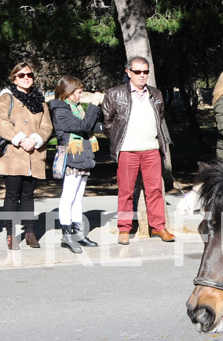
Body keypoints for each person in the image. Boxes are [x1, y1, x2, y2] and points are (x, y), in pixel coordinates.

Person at [102, 56, 175, 244]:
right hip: (128, 151)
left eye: (145, 72)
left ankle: (159, 227)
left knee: (155, 190)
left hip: (151, 150)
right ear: (128, 72)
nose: (142, 75)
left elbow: (159, 119)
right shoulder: (114, 94)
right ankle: (124, 229)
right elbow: (107, 123)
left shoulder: (156, 94)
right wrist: (121, 140)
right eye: (137, 72)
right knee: (126, 191)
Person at [0, 62, 52, 250]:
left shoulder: (40, 101)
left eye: (29, 75)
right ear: (14, 78)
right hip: (13, 154)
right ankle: (10, 234)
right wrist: (19, 139)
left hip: (34, 154)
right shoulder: (6, 98)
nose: (26, 78)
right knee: (12, 195)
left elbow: (47, 126)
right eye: (21, 75)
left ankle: (30, 232)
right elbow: (0, 122)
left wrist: (35, 139)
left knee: (28, 195)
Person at [48, 76, 104, 253]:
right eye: (79, 92)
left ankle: (78, 233)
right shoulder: (61, 111)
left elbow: (91, 123)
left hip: (82, 156)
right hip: (72, 156)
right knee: (68, 196)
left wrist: (96, 109)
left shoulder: (76, 107)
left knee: (78, 197)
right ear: (69, 92)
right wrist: (94, 105)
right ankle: (66, 236)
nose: (81, 96)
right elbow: (83, 125)